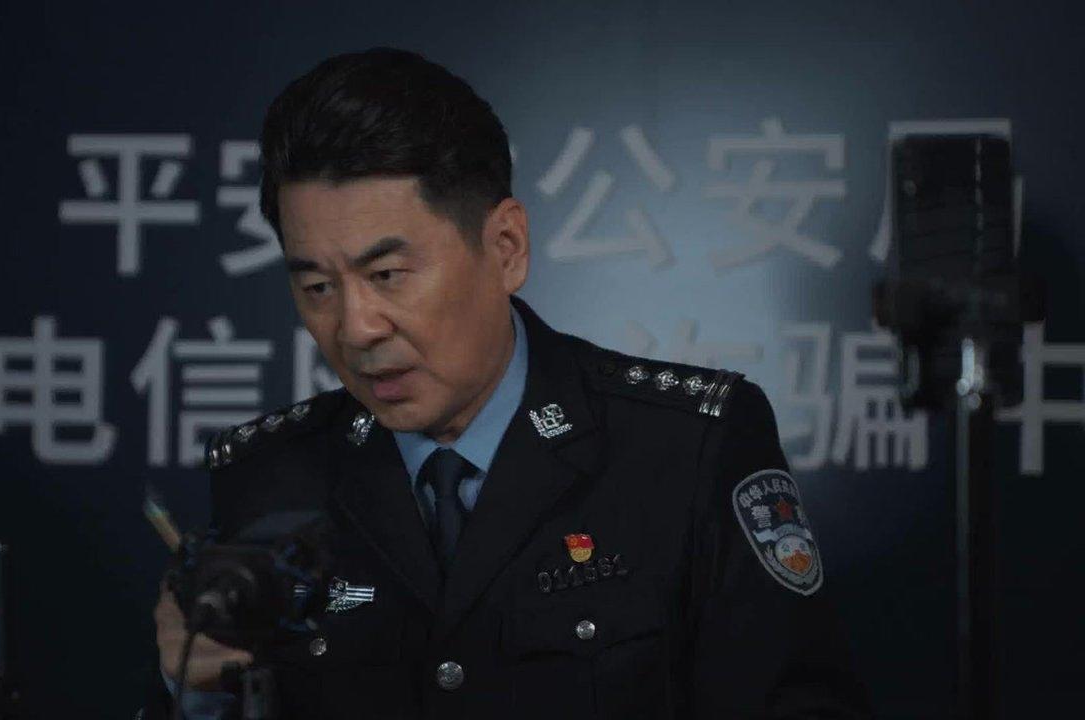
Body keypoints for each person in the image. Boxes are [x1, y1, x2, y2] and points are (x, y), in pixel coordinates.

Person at [148, 46, 870, 719]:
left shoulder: (688, 450)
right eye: (316, 287)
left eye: (387, 274)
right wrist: (196, 695)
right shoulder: (268, 478)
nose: (355, 328)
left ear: (506, 248)